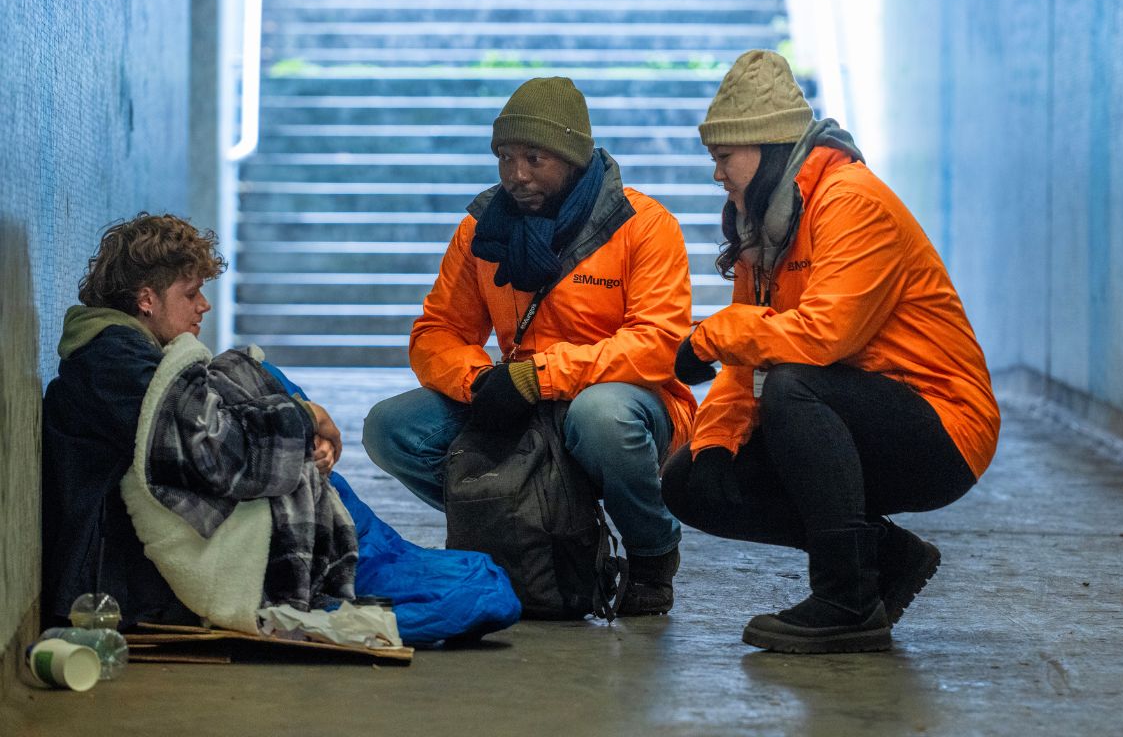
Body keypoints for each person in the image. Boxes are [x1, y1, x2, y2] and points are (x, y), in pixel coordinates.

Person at [663, 50, 1001, 653]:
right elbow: (747, 364)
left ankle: (847, 599)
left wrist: (709, 335)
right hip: (846, 415)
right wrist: (714, 443)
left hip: (942, 426)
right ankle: (885, 557)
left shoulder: (851, 201)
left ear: (763, 147)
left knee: (797, 383)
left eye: (722, 158)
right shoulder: (764, 226)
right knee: (691, 482)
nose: (716, 175)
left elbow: (823, 337)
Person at [363, 77, 695, 616]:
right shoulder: (480, 230)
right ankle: (530, 528)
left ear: (572, 158)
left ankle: (654, 552)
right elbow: (438, 331)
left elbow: (659, 343)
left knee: (602, 418)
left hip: (621, 403)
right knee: (391, 429)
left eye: (535, 158)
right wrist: (479, 380)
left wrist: (538, 375)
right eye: (505, 157)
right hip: (519, 399)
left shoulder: (644, 226)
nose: (517, 175)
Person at [41, 213, 354, 630]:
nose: (203, 305)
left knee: (256, 380)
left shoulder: (130, 353)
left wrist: (300, 435)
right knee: (418, 594)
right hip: (118, 584)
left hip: (136, 570)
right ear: (147, 298)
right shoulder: (114, 364)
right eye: (191, 294)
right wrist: (306, 416)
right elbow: (221, 452)